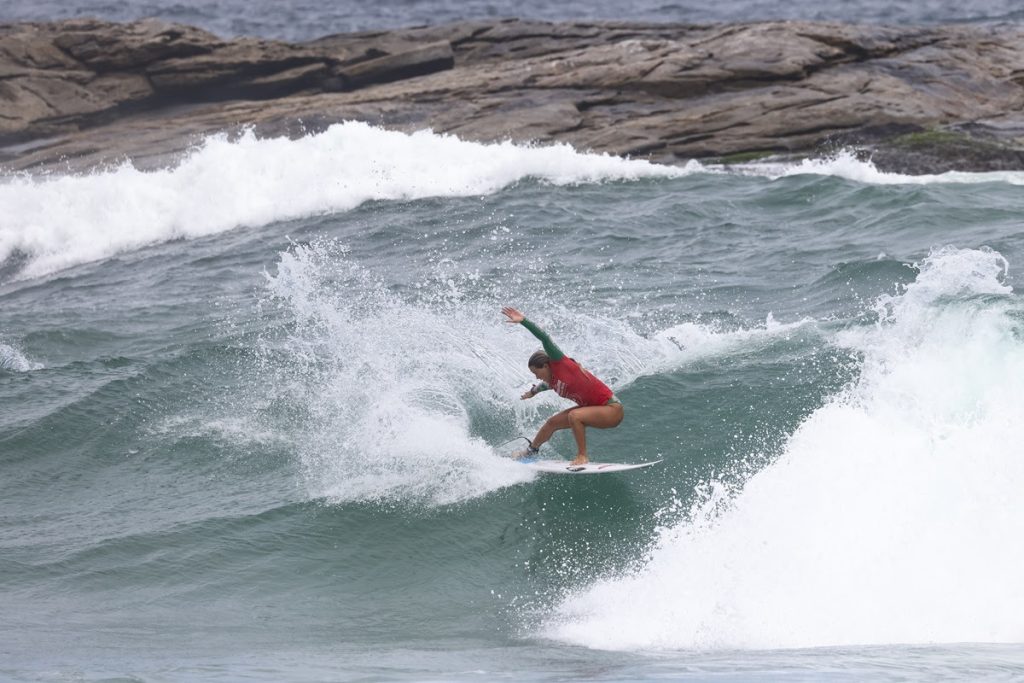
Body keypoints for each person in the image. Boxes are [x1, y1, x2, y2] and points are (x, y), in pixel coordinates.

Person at [501, 307, 624, 466]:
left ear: (546, 366)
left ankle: (582, 456)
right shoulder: (552, 381)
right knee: (552, 423)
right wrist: (532, 392)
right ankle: (530, 452)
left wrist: (524, 321)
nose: (536, 376)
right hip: (595, 410)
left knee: (575, 416)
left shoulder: (560, 363)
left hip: (612, 410)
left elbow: (545, 339)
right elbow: (544, 386)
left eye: (536, 372)